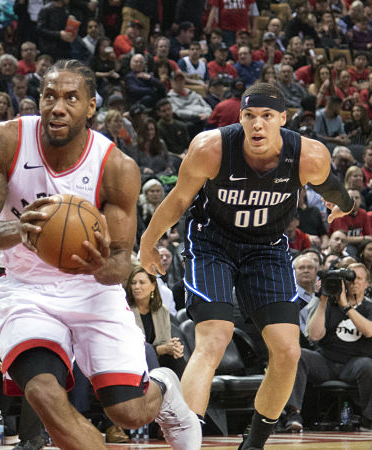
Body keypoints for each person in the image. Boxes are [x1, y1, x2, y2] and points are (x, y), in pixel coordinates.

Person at [0, 59, 200, 449]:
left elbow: (121, 264)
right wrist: (19, 230)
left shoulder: (117, 167)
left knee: (128, 412)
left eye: (70, 98)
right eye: (49, 96)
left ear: (91, 106)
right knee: (43, 394)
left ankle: (164, 387)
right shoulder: (3, 141)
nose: (57, 107)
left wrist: (99, 265)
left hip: (94, 291)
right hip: (27, 290)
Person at [139, 82, 357, 449]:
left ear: (283, 119)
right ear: (239, 118)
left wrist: (345, 206)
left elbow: (335, 190)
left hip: (266, 247)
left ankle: (253, 444)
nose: (257, 124)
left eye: (267, 116)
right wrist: (148, 241)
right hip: (212, 242)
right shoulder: (211, 149)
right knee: (214, 338)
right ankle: (186, 442)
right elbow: (178, 199)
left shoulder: (308, 156)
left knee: (288, 351)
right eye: (249, 116)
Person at [285, 262, 372, 432]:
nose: (354, 282)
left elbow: (369, 331)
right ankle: (293, 415)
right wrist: (323, 300)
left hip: (355, 363)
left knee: (369, 366)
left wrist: (346, 307)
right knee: (298, 354)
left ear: (367, 284)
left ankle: (368, 420)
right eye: (350, 279)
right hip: (326, 361)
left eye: (359, 279)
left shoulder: (369, 307)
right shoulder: (330, 304)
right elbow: (314, 335)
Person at [126, 265, 186, 378]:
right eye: (133, 283)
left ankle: (183, 388)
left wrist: (173, 347)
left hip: (159, 358)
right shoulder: (125, 311)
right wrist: (159, 349)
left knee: (176, 356)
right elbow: (130, 347)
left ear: (153, 286)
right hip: (135, 360)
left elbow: (165, 341)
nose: (136, 287)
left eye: (142, 282)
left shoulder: (162, 311)